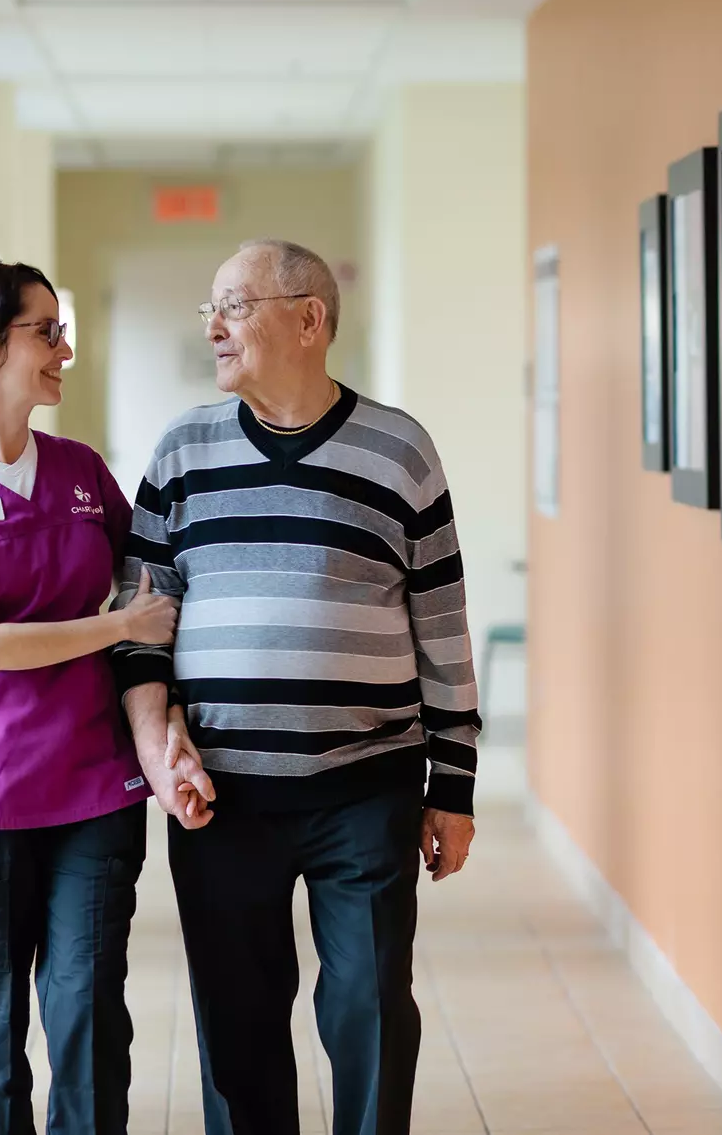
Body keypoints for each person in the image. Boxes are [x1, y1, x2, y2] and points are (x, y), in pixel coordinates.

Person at [110, 239, 481, 1135]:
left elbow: (441, 625)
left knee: (371, 1009)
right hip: (221, 796)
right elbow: (139, 624)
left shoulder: (400, 451)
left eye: (233, 306)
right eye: (210, 308)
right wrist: (162, 751)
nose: (213, 326)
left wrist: (454, 786)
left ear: (309, 318)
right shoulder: (182, 450)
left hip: (368, 783)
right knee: (237, 1024)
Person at [0, 256, 211, 1135]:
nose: (66, 348)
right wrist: (117, 628)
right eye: (47, 331)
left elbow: (157, 588)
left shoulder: (81, 473)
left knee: (92, 1010)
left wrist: (167, 725)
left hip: (94, 789)